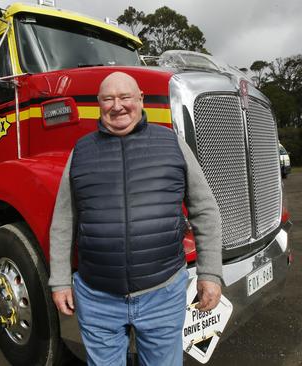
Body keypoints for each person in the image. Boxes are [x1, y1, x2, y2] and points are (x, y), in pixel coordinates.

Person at [48, 71, 223, 366]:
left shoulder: (172, 143)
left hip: (163, 294)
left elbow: (204, 210)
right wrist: (60, 281)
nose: (117, 106)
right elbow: (63, 220)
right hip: (97, 298)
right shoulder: (81, 151)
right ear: (99, 104)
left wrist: (210, 274)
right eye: (108, 99)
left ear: (140, 99)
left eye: (125, 97)